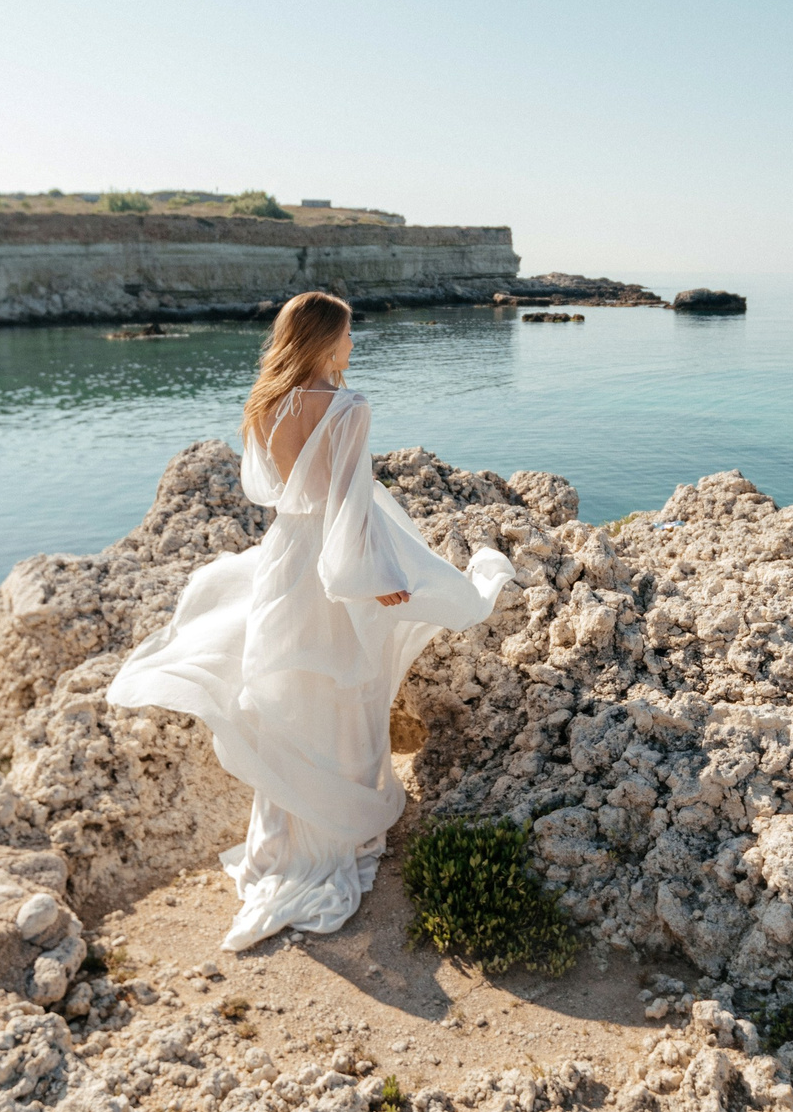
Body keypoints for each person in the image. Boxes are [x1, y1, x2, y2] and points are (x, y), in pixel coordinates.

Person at [107, 291, 516, 950]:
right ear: (326, 341)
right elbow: (348, 508)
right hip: (332, 564)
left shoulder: (265, 405)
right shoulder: (348, 406)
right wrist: (376, 579)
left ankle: (287, 841)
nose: (353, 347)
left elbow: (273, 494)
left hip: (282, 560)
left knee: (291, 699)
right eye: (348, 336)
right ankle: (339, 832)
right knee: (345, 693)